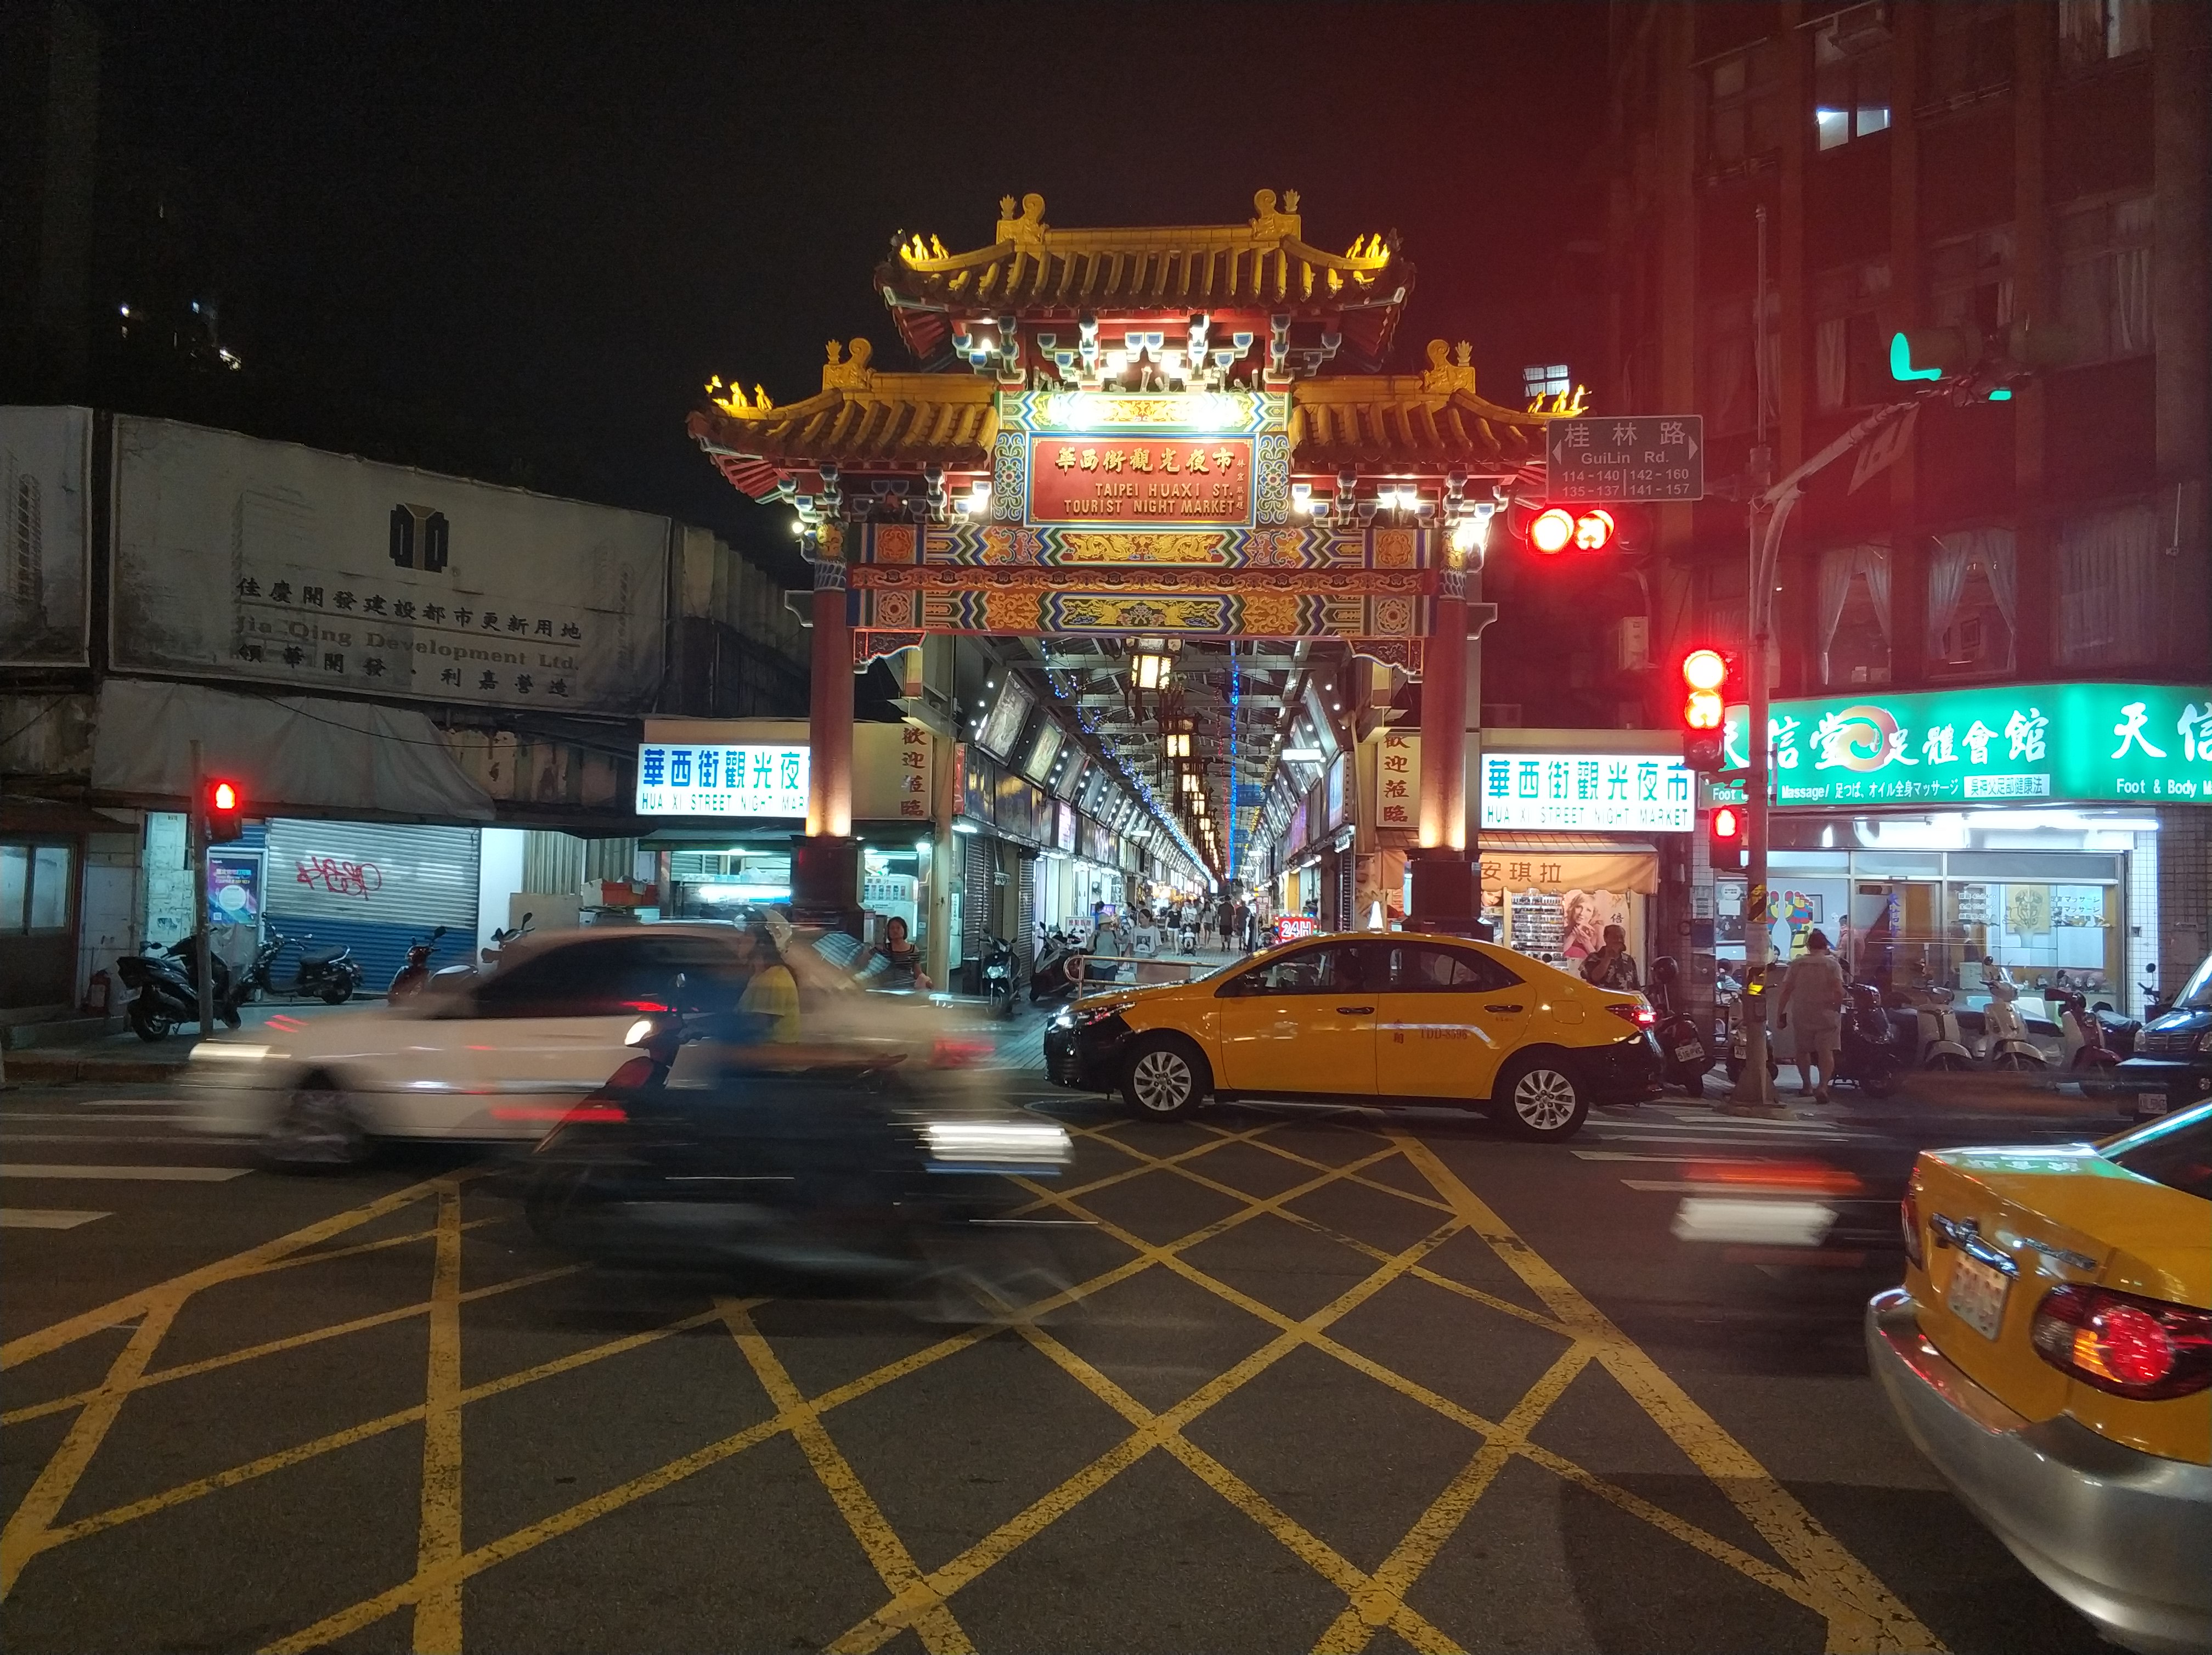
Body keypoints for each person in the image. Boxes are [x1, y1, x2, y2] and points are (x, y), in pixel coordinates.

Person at [1777, 928, 1849, 1100]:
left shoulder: (1797, 964)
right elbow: (1839, 991)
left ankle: (1807, 1086)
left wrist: (1780, 1013)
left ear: (1808, 946)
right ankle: (1823, 1086)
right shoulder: (1832, 965)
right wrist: (1836, 1007)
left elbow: (1786, 990)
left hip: (1803, 1012)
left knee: (1803, 1051)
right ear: (1825, 946)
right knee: (1825, 1051)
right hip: (1826, 1014)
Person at [738, 917, 802, 1041]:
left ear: (762, 944)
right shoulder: (760, 976)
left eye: (747, 934)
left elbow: (756, 1024)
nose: (740, 939)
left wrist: (711, 1027)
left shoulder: (775, 978)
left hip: (773, 1057)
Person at [854, 914, 930, 992]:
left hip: (907, 988)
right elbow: (861, 961)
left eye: (898, 928)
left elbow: (918, 972)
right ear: (888, 932)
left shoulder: (913, 950)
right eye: (892, 928)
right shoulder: (882, 949)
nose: (895, 931)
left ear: (904, 930)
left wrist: (926, 981)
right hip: (885, 988)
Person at [1579, 924, 1641, 992]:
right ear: (1606, 938)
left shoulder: (1629, 960)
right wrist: (1608, 957)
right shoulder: (1593, 958)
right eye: (1615, 937)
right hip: (1603, 1000)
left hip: (1626, 1000)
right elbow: (1594, 978)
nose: (1619, 940)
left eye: (1622, 937)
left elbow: (1636, 986)